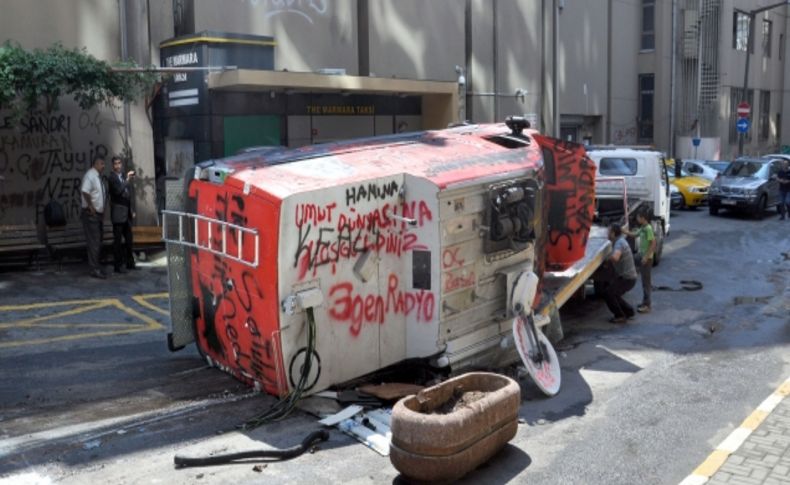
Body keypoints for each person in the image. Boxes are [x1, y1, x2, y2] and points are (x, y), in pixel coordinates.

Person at [604, 223, 638, 323]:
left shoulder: (619, 243)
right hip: (627, 277)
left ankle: (619, 316)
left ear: (613, 233)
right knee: (614, 292)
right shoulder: (620, 240)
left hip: (628, 278)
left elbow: (615, 257)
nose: (607, 234)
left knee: (609, 293)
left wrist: (606, 256)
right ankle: (629, 311)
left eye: (609, 232)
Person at [108, 156, 137, 273]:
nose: (118, 165)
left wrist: (132, 209)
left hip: (127, 214)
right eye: (115, 164)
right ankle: (117, 266)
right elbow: (118, 191)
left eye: (119, 163)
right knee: (118, 241)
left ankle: (130, 263)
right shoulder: (112, 178)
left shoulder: (124, 177)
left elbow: (129, 195)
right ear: (113, 166)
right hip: (118, 214)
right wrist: (127, 180)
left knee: (129, 240)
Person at [81, 156, 107, 279]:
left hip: (98, 214)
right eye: (102, 163)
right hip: (91, 214)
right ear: (96, 164)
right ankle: (94, 269)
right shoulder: (90, 175)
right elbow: (85, 191)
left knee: (98, 241)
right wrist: (91, 206)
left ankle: (97, 266)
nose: (104, 166)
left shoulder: (97, 177)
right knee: (94, 242)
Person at [627, 211, 656, 313]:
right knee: (644, 281)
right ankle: (644, 302)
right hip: (642, 256)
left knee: (646, 282)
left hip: (647, 259)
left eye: (638, 217)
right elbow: (635, 235)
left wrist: (646, 257)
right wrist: (624, 231)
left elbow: (653, 244)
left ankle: (647, 305)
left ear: (643, 218)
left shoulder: (648, 229)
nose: (637, 219)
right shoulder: (643, 228)